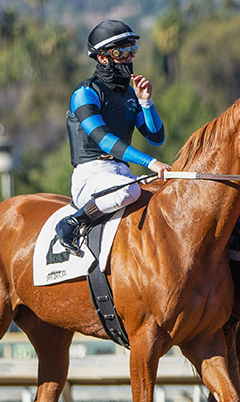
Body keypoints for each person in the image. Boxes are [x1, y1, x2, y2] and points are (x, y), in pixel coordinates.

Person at [56, 19, 171, 256]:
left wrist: (146, 102)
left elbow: (156, 136)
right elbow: (104, 140)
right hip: (91, 176)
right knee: (129, 192)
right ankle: (72, 223)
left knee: (169, 191)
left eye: (132, 51)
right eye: (122, 52)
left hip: (121, 173)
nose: (129, 58)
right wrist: (151, 163)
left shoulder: (130, 93)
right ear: (102, 57)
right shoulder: (85, 93)